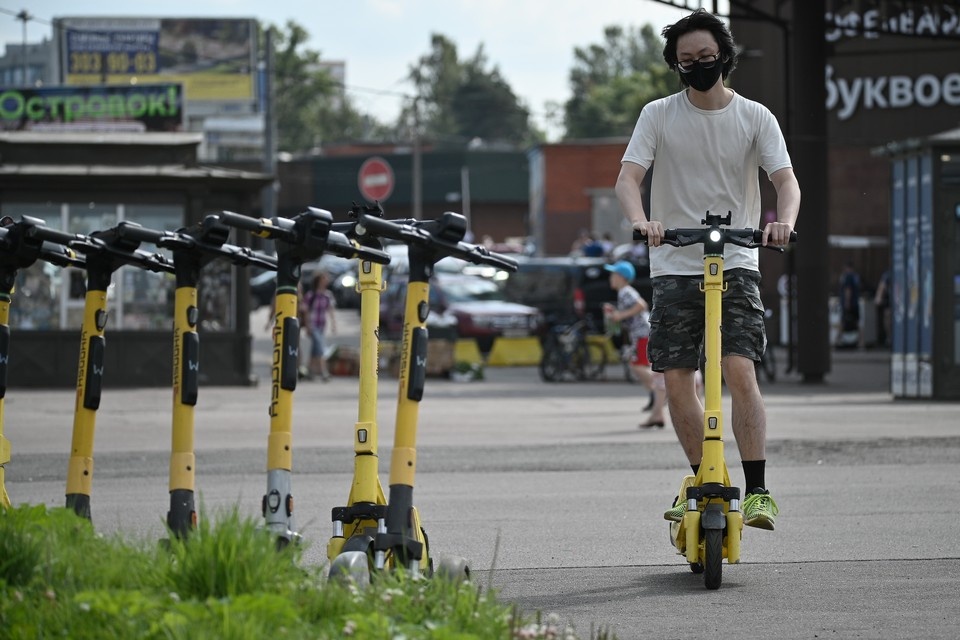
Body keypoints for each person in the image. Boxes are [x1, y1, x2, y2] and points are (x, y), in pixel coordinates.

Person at [614, 9, 800, 531]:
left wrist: (781, 224)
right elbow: (629, 179)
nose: (697, 65)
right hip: (673, 260)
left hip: (737, 257)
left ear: (725, 57)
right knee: (677, 379)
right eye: (686, 60)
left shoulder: (755, 117)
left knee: (738, 368)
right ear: (675, 64)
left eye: (706, 57)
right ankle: (702, 480)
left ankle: (758, 489)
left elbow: (786, 182)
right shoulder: (658, 115)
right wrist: (642, 220)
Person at [602, 260, 667, 428]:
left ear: (622, 277)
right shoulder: (624, 292)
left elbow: (641, 305)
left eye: (613, 274)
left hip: (642, 333)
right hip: (640, 333)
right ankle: (656, 395)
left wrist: (620, 316)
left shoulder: (625, 292)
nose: (611, 278)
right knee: (638, 366)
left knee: (637, 366)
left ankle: (659, 389)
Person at [303, 271, 337, 381]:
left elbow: (330, 311)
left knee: (315, 349)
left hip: (322, 325)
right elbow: (306, 311)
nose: (326, 281)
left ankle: (309, 372)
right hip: (313, 325)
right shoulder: (311, 295)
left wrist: (333, 324)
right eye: (324, 279)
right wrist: (307, 326)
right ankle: (324, 372)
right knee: (320, 347)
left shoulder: (327, 295)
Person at [837, 261, 862, 349]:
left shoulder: (847, 276)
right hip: (855, 303)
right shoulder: (855, 276)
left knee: (843, 322)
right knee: (857, 322)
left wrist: (847, 302)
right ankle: (860, 342)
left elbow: (848, 290)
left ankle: (838, 340)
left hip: (849, 303)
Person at [874, 269, 890, 347]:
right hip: (890, 302)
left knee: (887, 319)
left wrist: (878, 298)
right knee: (887, 318)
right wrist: (879, 298)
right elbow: (882, 286)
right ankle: (889, 337)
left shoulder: (888, 274)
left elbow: (882, 287)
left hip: (891, 302)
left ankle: (889, 337)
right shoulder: (887, 274)